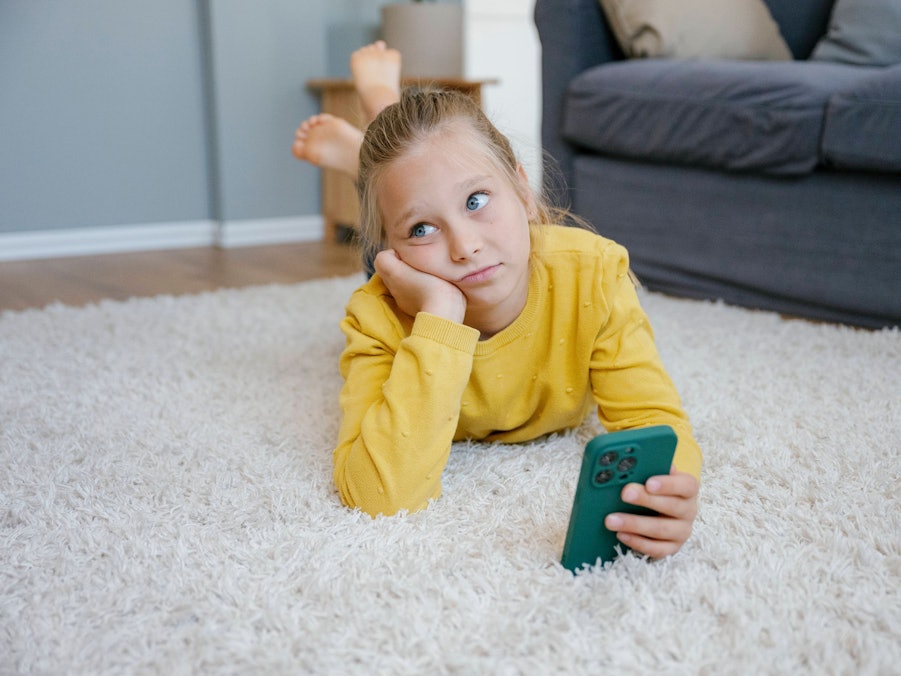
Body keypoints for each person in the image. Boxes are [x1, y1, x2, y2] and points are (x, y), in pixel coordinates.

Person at [293, 42, 701, 561]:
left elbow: (654, 420)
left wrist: (670, 490)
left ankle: (376, 130)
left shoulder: (593, 275)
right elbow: (377, 495)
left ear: (524, 192)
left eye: (476, 200)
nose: (466, 247)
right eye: (421, 229)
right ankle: (374, 131)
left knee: (412, 173)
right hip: (401, 275)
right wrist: (440, 317)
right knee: (403, 178)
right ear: (393, 253)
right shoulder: (377, 315)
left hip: (457, 223)